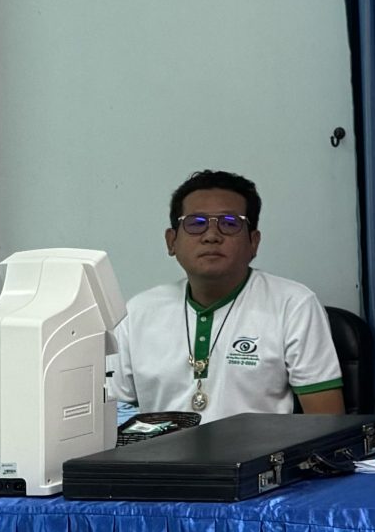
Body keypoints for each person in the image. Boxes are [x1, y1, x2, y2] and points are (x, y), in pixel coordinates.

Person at [111, 169, 346, 419]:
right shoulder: (137, 312)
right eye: (196, 223)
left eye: (230, 224)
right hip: (161, 446)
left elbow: (327, 423)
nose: (211, 236)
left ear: (253, 242)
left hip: (260, 446)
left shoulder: (293, 305)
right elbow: (110, 416)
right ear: (172, 242)